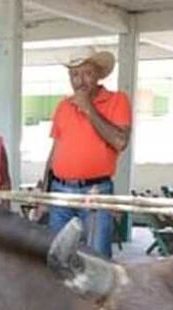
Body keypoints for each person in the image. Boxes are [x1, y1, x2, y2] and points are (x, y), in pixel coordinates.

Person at [41, 47, 132, 258]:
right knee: (57, 255)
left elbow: (120, 141)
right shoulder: (63, 106)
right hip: (60, 191)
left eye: (87, 73)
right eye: (74, 74)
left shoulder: (117, 100)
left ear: (99, 74)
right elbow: (55, 151)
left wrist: (89, 108)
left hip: (95, 191)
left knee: (96, 256)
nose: (80, 81)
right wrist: (44, 194)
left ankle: (98, 293)